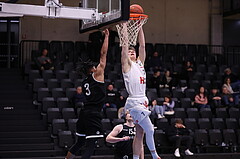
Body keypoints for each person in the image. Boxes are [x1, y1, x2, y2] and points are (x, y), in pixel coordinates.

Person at [65, 29, 109, 159]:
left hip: (84, 113)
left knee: (79, 143)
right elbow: (103, 54)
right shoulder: (97, 75)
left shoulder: (84, 82)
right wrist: (106, 36)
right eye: (94, 66)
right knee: (90, 146)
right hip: (93, 113)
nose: (96, 66)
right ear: (92, 70)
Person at [120, 22, 160, 159]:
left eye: (133, 51)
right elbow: (124, 46)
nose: (131, 52)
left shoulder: (140, 64)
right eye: (129, 52)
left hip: (142, 100)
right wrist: (124, 26)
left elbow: (142, 45)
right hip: (134, 101)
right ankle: (155, 156)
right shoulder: (126, 65)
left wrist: (140, 25)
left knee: (140, 133)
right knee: (150, 129)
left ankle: (136, 158)